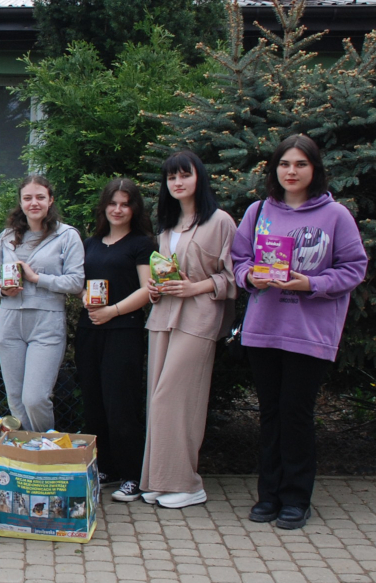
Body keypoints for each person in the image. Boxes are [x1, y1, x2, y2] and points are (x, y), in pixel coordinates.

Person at [230, 135, 367, 530]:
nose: (291, 171)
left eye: (300, 164)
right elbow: (239, 260)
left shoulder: (336, 215)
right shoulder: (258, 211)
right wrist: (250, 276)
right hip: (263, 331)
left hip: (309, 333)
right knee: (271, 414)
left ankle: (296, 499)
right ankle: (268, 495)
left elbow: (354, 268)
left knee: (296, 414)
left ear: (314, 169)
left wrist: (311, 284)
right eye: (285, 164)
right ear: (275, 169)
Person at [140, 151, 237, 509]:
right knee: (156, 398)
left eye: (185, 175)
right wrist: (155, 289)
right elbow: (166, 273)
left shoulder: (221, 222)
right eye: (171, 177)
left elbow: (234, 277)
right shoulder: (168, 225)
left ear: (200, 178)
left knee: (173, 398)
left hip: (199, 319)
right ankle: (159, 480)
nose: (178, 182)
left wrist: (195, 287)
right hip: (163, 315)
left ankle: (188, 483)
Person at [74, 179, 155, 503]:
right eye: (113, 203)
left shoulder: (142, 243)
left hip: (123, 331)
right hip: (90, 329)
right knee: (94, 403)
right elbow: (80, 282)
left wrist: (113, 311)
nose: (118, 209)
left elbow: (148, 289)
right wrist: (85, 298)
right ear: (104, 206)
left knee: (121, 405)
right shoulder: (91, 243)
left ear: (134, 208)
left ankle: (132, 474)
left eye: (125, 204)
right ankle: (106, 466)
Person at [0, 175, 84, 433]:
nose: (34, 203)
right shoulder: (7, 236)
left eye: (40, 197)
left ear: (50, 200)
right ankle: (29, 451)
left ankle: (45, 447)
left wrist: (37, 278)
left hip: (46, 322)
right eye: (27, 198)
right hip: (9, 321)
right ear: (20, 202)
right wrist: (2, 290)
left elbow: (76, 282)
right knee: (16, 400)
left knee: (35, 399)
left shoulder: (67, 236)